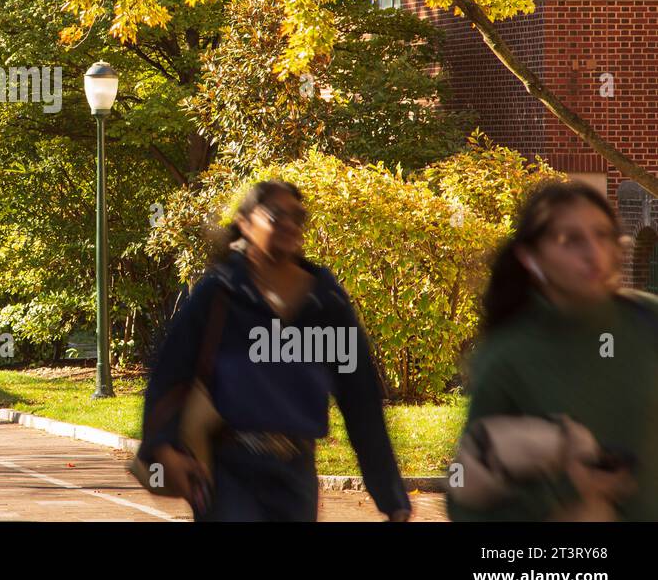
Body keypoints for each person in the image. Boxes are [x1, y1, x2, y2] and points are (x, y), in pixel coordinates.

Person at [135, 180, 410, 522]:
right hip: (229, 472)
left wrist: (391, 497)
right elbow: (169, 375)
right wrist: (161, 446)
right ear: (246, 224)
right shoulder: (220, 294)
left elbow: (361, 402)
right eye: (276, 215)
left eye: (298, 217)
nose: (290, 224)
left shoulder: (325, 303)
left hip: (296, 476)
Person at [448, 182, 658, 521]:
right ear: (530, 257)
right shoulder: (507, 356)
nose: (593, 253)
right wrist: (564, 492)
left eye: (602, 235)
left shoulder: (649, 322)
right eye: (571, 240)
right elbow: (463, 497)